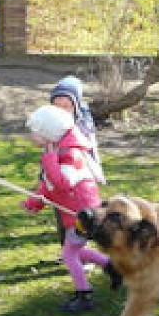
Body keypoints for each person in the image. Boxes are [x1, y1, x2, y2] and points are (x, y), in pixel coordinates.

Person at [23, 105, 121, 313]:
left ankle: (84, 295)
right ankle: (112, 267)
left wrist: (49, 160)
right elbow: (49, 187)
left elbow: (61, 184)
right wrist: (34, 204)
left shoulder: (70, 156)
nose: (31, 136)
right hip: (75, 215)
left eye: (36, 132)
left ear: (49, 134)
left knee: (69, 254)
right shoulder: (56, 153)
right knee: (76, 250)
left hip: (83, 215)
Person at [48, 76, 103, 250]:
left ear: (75, 105)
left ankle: (83, 252)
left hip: (78, 179)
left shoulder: (81, 123)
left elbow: (86, 148)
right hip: (58, 176)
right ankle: (67, 249)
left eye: (66, 106)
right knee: (62, 215)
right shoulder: (50, 122)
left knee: (80, 217)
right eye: (57, 106)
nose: (62, 110)